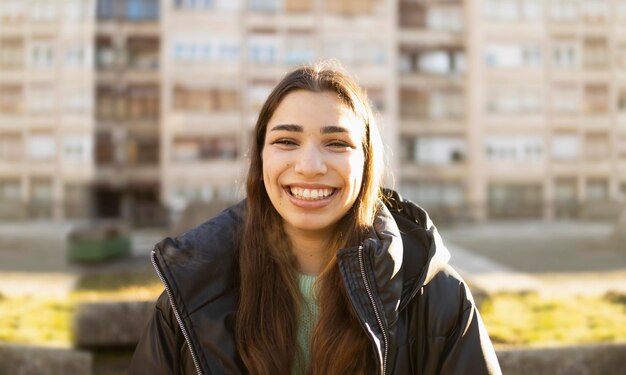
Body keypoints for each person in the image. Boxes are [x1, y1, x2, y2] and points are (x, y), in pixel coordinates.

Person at [129, 63, 502, 375]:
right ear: (260, 160)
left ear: (366, 163)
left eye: (337, 143)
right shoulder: (190, 293)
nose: (309, 167)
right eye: (286, 142)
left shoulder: (440, 299)